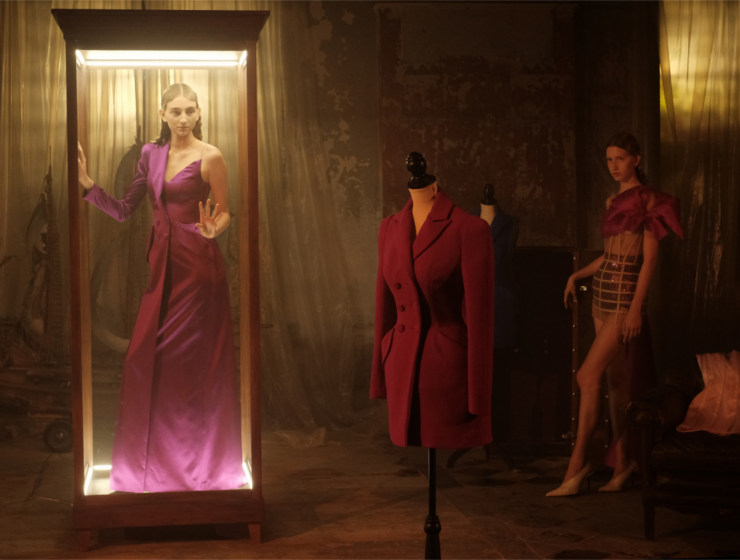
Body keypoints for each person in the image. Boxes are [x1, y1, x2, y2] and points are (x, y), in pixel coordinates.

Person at [78, 83, 246, 493]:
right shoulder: (150, 155)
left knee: (191, 367)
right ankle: (152, 469)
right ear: (162, 114)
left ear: (199, 112)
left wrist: (215, 229)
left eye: (190, 111)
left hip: (199, 269)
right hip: (161, 270)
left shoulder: (211, 155)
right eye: (176, 111)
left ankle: (201, 469)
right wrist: (86, 185)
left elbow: (225, 212)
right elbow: (124, 211)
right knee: (143, 361)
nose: (183, 118)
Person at [547, 132, 683, 497]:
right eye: (609, 159)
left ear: (636, 159)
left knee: (586, 375)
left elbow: (649, 261)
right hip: (602, 293)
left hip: (625, 298)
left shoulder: (650, 198)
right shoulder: (612, 200)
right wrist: (576, 275)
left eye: (620, 158)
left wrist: (637, 309)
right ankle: (623, 462)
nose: (613, 166)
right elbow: (609, 256)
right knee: (614, 382)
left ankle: (578, 464)